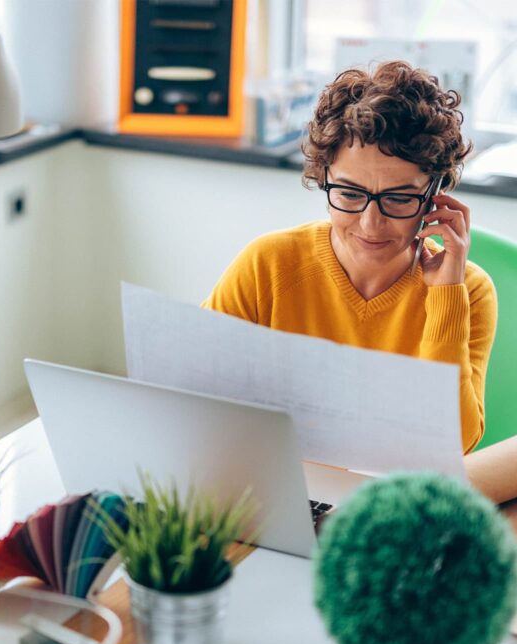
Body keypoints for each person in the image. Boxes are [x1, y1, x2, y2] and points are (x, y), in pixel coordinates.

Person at [204, 60, 496, 453]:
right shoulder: (267, 265)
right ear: (323, 177)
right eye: (350, 195)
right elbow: (195, 396)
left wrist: (445, 295)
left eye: (398, 198)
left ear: (435, 194)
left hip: (392, 493)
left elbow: (452, 444)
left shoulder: (468, 291)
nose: (370, 223)